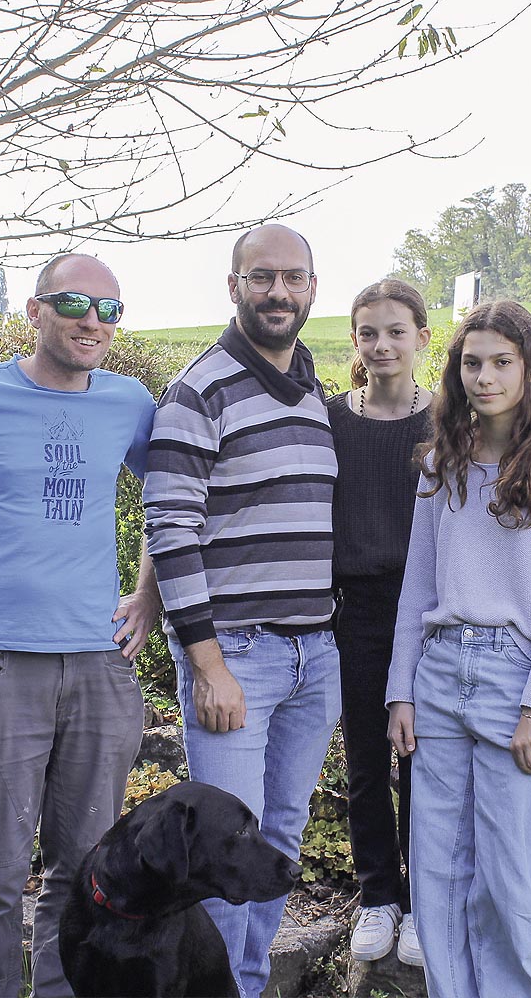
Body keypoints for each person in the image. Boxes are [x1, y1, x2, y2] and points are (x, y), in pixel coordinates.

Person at [0, 253, 159, 998]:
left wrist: (147, 595)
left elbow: (169, 501)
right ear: (35, 310)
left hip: (98, 662)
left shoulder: (129, 402)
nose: (93, 321)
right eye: (76, 303)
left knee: (83, 873)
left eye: (109, 309)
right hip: (1, 665)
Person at [144, 224, 340, 998]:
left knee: (277, 844)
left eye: (293, 278)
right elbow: (169, 527)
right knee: (223, 856)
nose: (278, 293)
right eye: (262, 278)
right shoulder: (201, 389)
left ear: (313, 289)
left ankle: (248, 986)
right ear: (234, 287)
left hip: (313, 654)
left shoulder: (314, 390)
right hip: (238, 655)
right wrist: (208, 663)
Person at [386, 301, 531, 997]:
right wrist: (402, 689)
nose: (484, 377)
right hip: (440, 673)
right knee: (439, 868)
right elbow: (417, 582)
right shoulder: (439, 461)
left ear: (530, 369)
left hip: (515, 677)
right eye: (471, 363)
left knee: (511, 870)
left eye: (501, 362)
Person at [328, 279, 432, 966]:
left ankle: (426, 903)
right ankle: (378, 897)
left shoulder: (451, 420)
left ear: (423, 337)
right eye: (369, 332)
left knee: (429, 760)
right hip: (356, 610)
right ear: (356, 341)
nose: (383, 344)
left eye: (396, 330)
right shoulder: (332, 419)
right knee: (366, 760)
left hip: (429, 611)